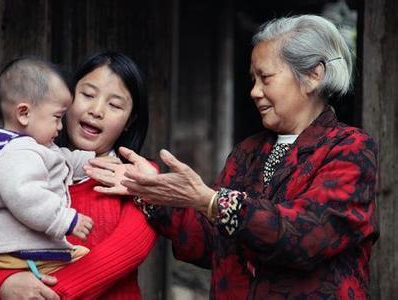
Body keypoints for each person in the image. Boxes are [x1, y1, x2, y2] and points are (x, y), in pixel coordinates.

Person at [88, 15, 378, 299]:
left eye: (265, 78)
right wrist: (154, 194)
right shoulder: (247, 152)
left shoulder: (349, 148)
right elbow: (210, 243)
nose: (254, 91)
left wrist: (211, 201)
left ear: (314, 75)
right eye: (253, 79)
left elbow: (307, 235)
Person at [0, 51, 157, 299]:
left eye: (114, 105)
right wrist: (5, 285)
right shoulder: (22, 164)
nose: (97, 110)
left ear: (129, 120)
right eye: (88, 95)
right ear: (66, 101)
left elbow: (127, 250)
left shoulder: (140, 177)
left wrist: (47, 294)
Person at [0, 58, 94, 278]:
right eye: (57, 117)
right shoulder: (18, 154)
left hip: (9, 246)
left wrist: (93, 162)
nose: (60, 127)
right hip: (15, 248)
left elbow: (64, 159)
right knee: (85, 265)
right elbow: (25, 195)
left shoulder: (27, 147)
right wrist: (65, 220)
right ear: (23, 113)